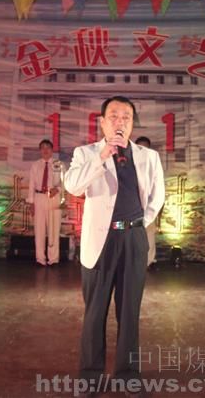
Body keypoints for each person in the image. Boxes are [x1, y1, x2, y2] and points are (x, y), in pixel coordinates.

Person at [64, 96, 165, 389]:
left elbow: (157, 196)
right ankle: (90, 378)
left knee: (129, 313)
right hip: (101, 240)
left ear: (132, 124)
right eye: (114, 117)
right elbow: (73, 186)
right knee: (95, 312)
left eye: (126, 118)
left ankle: (128, 376)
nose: (120, 122)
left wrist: (139, 223)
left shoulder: (148, 156)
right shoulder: (86, 153)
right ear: (102, 122)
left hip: (133, 239)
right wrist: (103, 155)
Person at [27, 139, 64, 266]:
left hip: (53, 198)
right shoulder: (35, 165)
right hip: (39, 197)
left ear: (52, 150)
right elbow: (31, 184)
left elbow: (64, 182)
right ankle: (40, 259)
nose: (45, 150)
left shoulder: (58, 164)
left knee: (53, 230)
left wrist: (57, 189)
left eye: (48, 147)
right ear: (40, 150)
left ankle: (53, 259)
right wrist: (31, 203)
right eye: (43, 148)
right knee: (39, 230)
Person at [135, 136, 158, 269]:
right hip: (132, 208)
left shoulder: (154, 165)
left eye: (145, 148)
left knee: (149, 234)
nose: (142, 150)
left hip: (148, 207)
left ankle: (149, 261)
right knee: (128, 233)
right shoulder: (128, 163)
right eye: (140, 147)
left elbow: (158, 189)